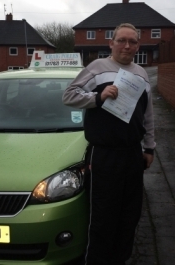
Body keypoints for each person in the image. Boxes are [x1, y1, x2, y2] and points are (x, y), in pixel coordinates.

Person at [62, 23, 155, 265]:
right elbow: (69, 96)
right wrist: (98, 96)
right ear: (111, 44)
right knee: (103, 217)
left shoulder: (142, 74)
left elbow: (148, 115)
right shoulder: (96, 68)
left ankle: (120, 260)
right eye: (122, 40)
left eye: (132, 41)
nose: (127, 45)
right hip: (103, 155)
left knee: (130, 215)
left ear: (138, 46)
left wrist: (149, 147)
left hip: (133, 155)